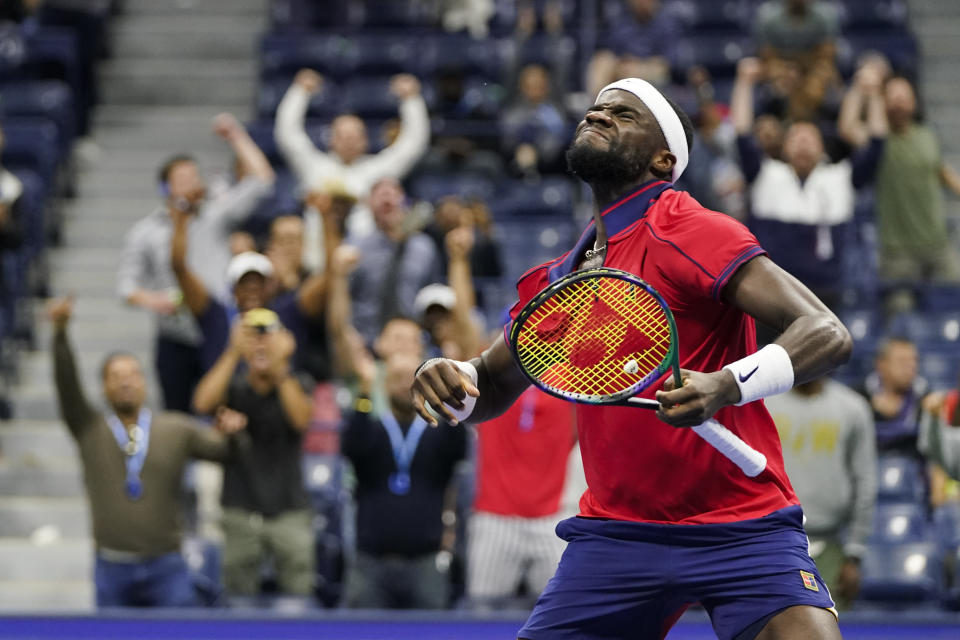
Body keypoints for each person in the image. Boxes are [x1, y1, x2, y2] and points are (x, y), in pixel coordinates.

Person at [413, 77, 852, 639]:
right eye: (594, 108)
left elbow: (826, 331)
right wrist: (450, 379)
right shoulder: (560, 278)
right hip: (618, 536)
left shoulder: (689, 229)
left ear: (662, 157)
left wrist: (726, 384)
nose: (597, 115)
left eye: (621, 114)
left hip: (744, 524)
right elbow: (489, 388)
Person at [48, 296, 232, 608]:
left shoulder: (174, 428)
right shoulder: (90, 429)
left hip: (167, 566)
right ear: (103, 387)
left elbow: (225, 450)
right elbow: (67, 388)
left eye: (132, 374)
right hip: (112, 566)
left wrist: (232, 430)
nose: (125, 383)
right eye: (115, 377)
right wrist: (61, 335)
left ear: (145, 382)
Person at [327, 246, 467, 609]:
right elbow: (339, 332)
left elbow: (455, 449)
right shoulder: (366, 377)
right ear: (380, 345)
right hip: (372, 538)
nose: (405, 349)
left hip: (423, 543)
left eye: (412, 342)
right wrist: (339, 277)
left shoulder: (436, 390)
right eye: (398, 341)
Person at [117, 114, 274, 412]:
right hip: (176, 335)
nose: (192, 184)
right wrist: (154, 300)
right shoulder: (145, 233)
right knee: (177, 414)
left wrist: (236, 137)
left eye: (195, 176)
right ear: (165, 189)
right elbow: (126, 287)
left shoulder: (216, 216)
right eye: (183, 179)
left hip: (218, 329)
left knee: (224, 408)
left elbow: (262, 181)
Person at [732, 57, 885, 307]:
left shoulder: (840, 178)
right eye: (796, 137)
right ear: (784, 147)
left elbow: (877, 145)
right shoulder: (765, 174)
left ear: (822, 147)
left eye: (810, 137)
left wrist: (875, 95)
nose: (803, 142)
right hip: (770, 292)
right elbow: (742, 134)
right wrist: (744, 83)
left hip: (825, 293)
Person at [192, 308, 316, 597]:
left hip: (290, 509)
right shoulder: (233, 388)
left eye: (267, 338)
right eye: (253, 338)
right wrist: (233, 352)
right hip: (240, 509)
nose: (260, 345)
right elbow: (202, 402)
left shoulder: (297, 382)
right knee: (237, 601)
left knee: (299, 598)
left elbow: (301, 419)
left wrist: (281, 366)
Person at [274, 69, 429, 238]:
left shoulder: (379, 170)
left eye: (355, 136)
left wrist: (411, 100)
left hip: (366, 254)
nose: (349, 141)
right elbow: (287, 135)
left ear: (365, 140)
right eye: (343, 136)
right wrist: (299, 92)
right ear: (331, 140)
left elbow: (413, 144)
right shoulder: (314, 166)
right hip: (318, 252)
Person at [765, 378, 877, 610]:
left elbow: (865, 482)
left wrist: (854, 554)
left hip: (830, 545)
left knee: (828, 627)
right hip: (769, 542)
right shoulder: (762, 404)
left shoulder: (852, 407)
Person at [468, 386, 577, 608]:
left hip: (552, 518)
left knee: (563, 612)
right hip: (495, 518)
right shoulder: (494, 375)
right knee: (480, 614)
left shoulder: (570, 380)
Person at [868, 75, 960, 312]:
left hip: (937, 243)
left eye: (904, 96)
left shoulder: (927, 134)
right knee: (900, 317)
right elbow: (848, 129)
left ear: (914, 102)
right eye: (893, 97)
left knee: (953, 304)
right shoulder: (878, 142)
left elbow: (940, 170)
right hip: (898, 252)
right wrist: (873, 96)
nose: (899, 102)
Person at [347, 177, 441, 346]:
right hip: (365, 341)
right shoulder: (355, 248)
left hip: (413, 340)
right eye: (381, 196)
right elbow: (346, 298)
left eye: (392, 195)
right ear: (369, 205)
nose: (387, 200)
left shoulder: (424, 247)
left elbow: (433, 296)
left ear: (404, 201)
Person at [753, 0, 840, 122]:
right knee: (777, 82)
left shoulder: (825, 15)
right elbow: (768, 57)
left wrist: (808, 74)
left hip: (813, 69)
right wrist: (787, 72)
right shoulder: (768, 16)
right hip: (781, 68)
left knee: (821, 83)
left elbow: (826, 57)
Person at [586, 0, 683, 96]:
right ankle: (598, 104)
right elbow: (610, 51)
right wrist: (622, 63)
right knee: (602, 61)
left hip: (653, 69)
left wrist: (639, 67)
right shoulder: (621, 21)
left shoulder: (667, 23)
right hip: (624, 66)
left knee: (634, 72)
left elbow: (668, 63)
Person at [501, 63, 571, 177]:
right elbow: (507, 139)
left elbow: (559, 140)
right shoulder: (513, 111)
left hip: (550, 167)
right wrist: (521, 149)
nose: (535, 91)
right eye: (530, 86)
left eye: (539, 87)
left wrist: (538, 153)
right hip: (516, 161)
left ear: (546, 87)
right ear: (522, 87)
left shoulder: (555, 111)